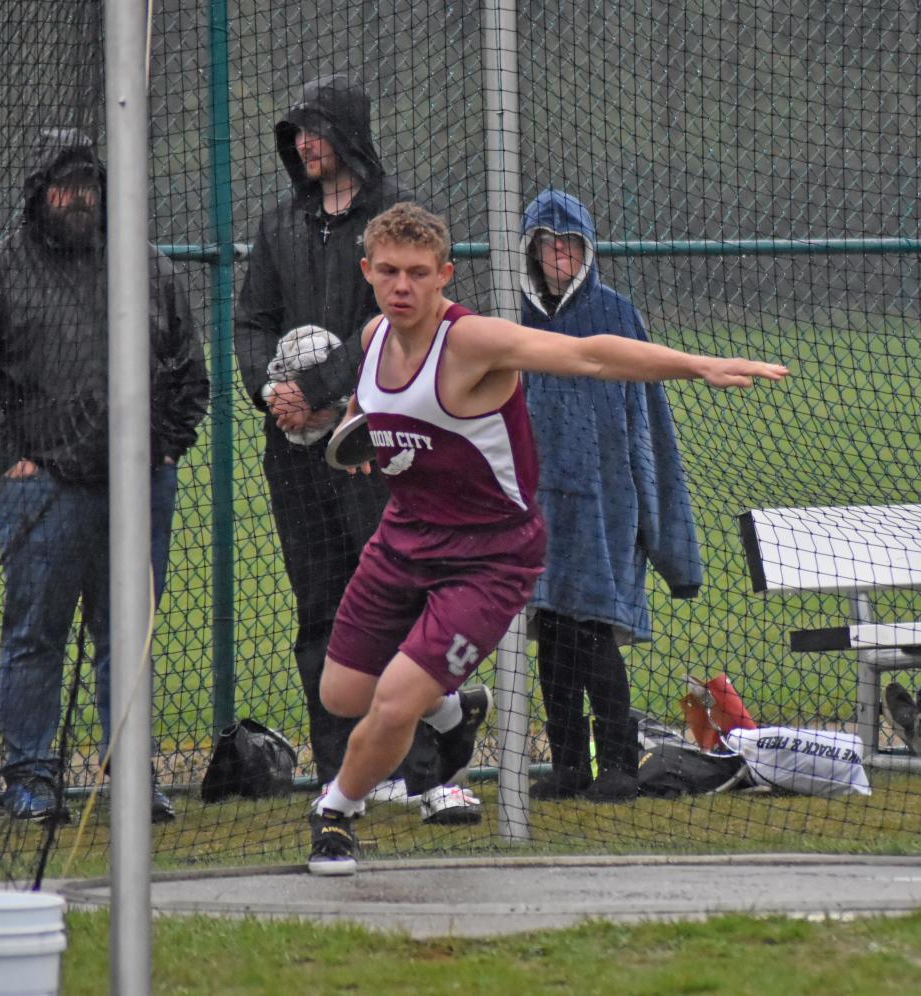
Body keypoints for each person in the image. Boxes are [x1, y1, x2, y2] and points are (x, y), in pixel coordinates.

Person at [306, 201, 789, 875]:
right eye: (388, 272)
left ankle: (336, 813)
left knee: (388, 707)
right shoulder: (373, 339)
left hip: (491, 556)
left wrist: (696, 364)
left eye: (419, 273)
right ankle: (449, 708)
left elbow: (588, 356)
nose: (402, 287)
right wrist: (358, 427)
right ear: (368, 271)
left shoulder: (473, 341)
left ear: (445, 274)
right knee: (341, 696)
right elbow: (372, 403)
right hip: (405, 538)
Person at [234, 74, 480, 824]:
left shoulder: (396, 221)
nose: (306, 145)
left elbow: (401, 329)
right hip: (298, 453)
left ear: (350, 135)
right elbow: (251, 323)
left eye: (317, 131)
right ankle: (346, 777)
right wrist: (271, 394)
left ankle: (428, 774)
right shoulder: (279, 228)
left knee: (403, 608)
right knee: (323, 614)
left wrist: (329, 391)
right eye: (297, 135)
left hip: (381, 447)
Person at [0, 128, 209, 822]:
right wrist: (8, 459)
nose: (77, 197)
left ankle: (130, 777)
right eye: (64, 185)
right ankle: (31, 778)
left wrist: (165, 447)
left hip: (139, 484)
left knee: (126, 636)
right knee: (35, 634)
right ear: (38, 192)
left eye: (89, 184)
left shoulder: (148, 268)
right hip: (41, 491)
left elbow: (189, 371)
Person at [519, 188, 705, 802]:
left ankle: (620, 763)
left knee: (595, 634)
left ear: (587, 249)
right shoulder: (510, 322)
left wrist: (667, 539)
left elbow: (649, 428)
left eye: (569, 244)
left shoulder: (616, 315)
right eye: (546, 244)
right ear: (530, 251)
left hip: (605, 510)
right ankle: (569, 765)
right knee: (551, 637)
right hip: (536, 513)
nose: (558, 255)